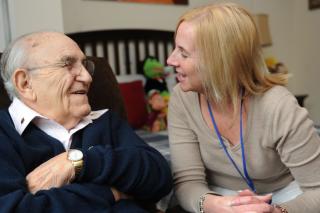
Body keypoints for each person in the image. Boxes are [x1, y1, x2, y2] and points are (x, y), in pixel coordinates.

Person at [167, 3, 320, 213]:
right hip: (218, 197)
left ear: (220, 62)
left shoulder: (277, 105)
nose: (170, 60)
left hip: (286, 194)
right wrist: (216, 205)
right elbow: (187, 182)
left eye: (183, 54)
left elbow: (317, 191)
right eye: (175, 48)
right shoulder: (180, 99)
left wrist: (276, 211)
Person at [0, 31, 172, 212]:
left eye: (85, 65)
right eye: (67, 64)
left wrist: (78, 162)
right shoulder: (5, 133)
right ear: (25, 83)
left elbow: (159, 178)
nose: (88, 77)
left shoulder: (106, 121)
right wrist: (110, 193)